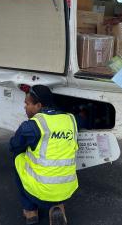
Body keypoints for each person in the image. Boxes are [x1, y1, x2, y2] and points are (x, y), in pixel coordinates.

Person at [10, 85, 79, 225]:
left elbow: (13, 145)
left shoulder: (31, 126)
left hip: (42, 192)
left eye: (27, 103)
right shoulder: (71, 119)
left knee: (17, 156)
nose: (25, 107)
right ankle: (58, 207)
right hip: (67, 190)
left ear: (39, 105)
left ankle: (30, 212)